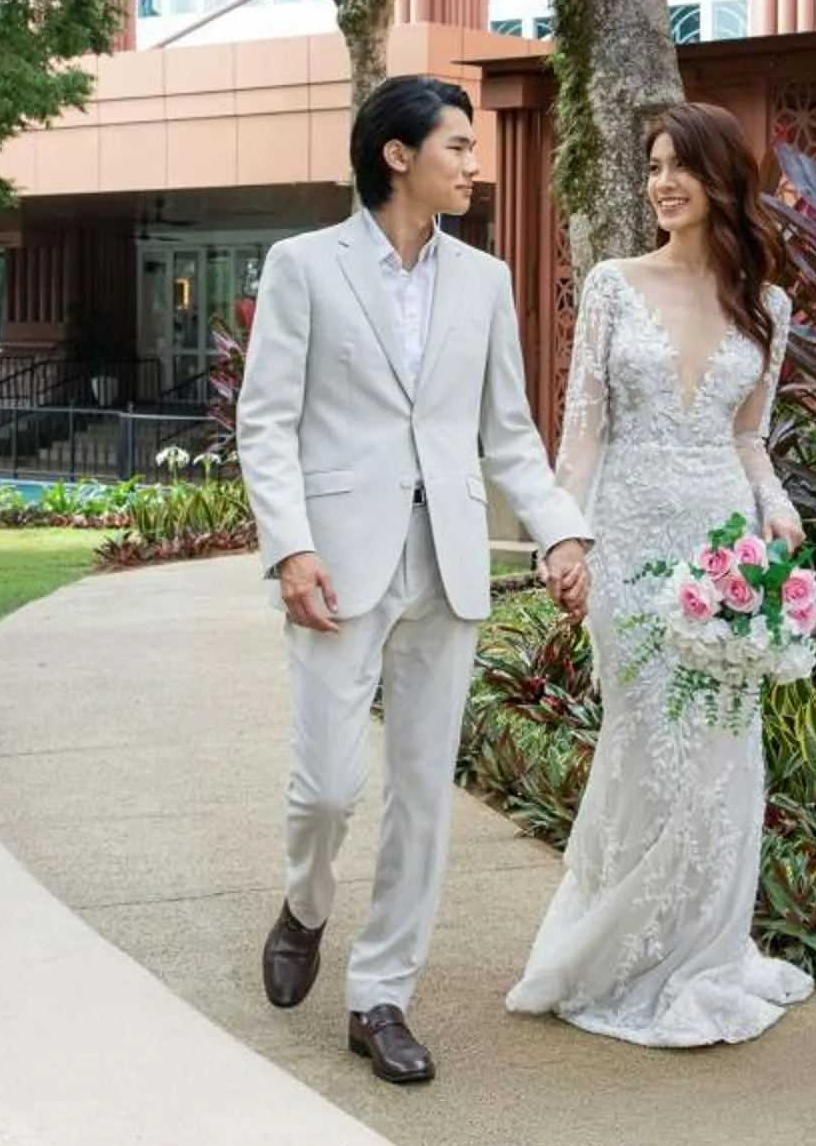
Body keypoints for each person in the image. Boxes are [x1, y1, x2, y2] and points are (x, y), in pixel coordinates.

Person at [235, 75, 593, 1085]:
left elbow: (509, 433)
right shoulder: (303, 265)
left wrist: (564, 533)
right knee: (329, 786)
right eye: (458, 146)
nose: (474, 165)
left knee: (424, 792)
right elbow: (265, 420)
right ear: (397, 154)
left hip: (451, 561)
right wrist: (289, 545)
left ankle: (379, 994)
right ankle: (306, 902)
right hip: (335, 565)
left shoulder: (484, 279)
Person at [507, 101, 815, 1047]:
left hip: (726, 552)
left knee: (721, 756)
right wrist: (565, 541)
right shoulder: (611, 285)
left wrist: (780, 512)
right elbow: (583, 435)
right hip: (632, 545)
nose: (663, 183)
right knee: (643, 742)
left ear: (725, 178)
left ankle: (702, 951)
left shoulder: (767, 305)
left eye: (682, 165)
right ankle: (617, 950)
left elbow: (749, 439)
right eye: (653, 166)